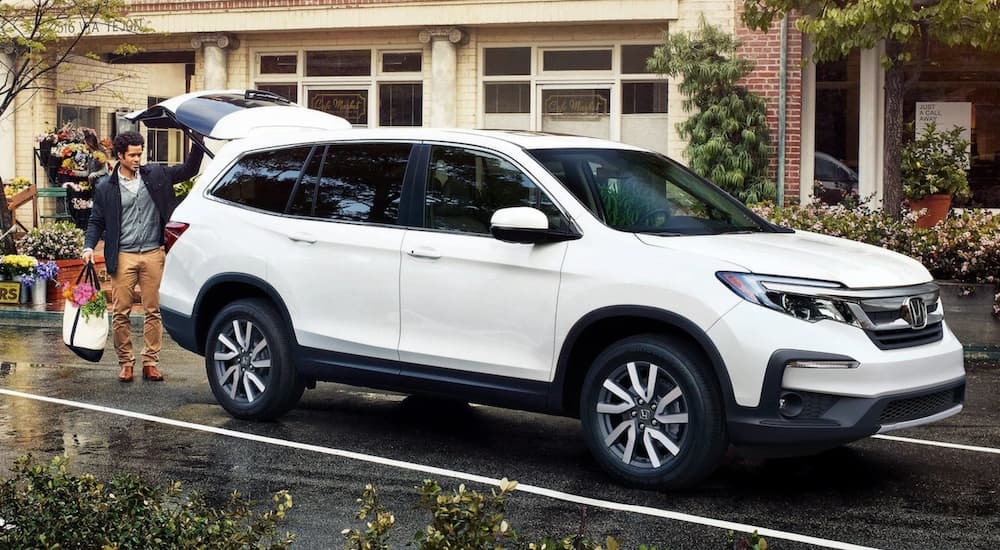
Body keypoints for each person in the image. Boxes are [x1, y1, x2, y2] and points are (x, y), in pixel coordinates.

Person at [82, 130, 204, 382]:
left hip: (152, 253)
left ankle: (150, 361)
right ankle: (126, 362)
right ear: (120, 156)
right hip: (124, 255)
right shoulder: (106, 186)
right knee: (121, 312)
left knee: (153, 310)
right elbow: (96, 220)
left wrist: (198, 141)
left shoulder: (156, 175)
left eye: (140, 154)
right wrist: (88, 247)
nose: (138, 159)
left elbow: (188, 171)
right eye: (133, 155)